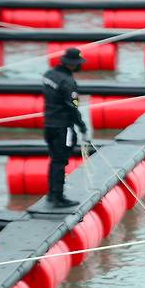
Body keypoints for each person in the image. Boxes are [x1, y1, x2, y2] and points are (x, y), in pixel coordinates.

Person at [42, 47, 90, 208]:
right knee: (60, 161)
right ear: (73, 64)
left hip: (48, 125)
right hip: (63, 128)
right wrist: (83, 128)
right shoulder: (68, 82)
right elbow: (73, 107)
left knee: (54, 159)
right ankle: (58, 197)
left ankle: (51, 194)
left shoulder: (49, 75)